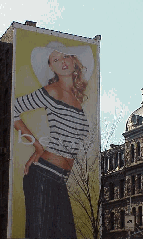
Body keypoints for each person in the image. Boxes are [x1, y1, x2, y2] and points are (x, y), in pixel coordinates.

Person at [14, 41, 94, 238]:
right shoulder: (52, 91)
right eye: (55, 59)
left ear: (74, 61)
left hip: (59, 179)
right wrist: (38, 148)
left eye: (65, 56)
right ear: (51, 66)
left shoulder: (76, 97)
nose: (62, 62)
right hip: (44, 176)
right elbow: (13, 109)